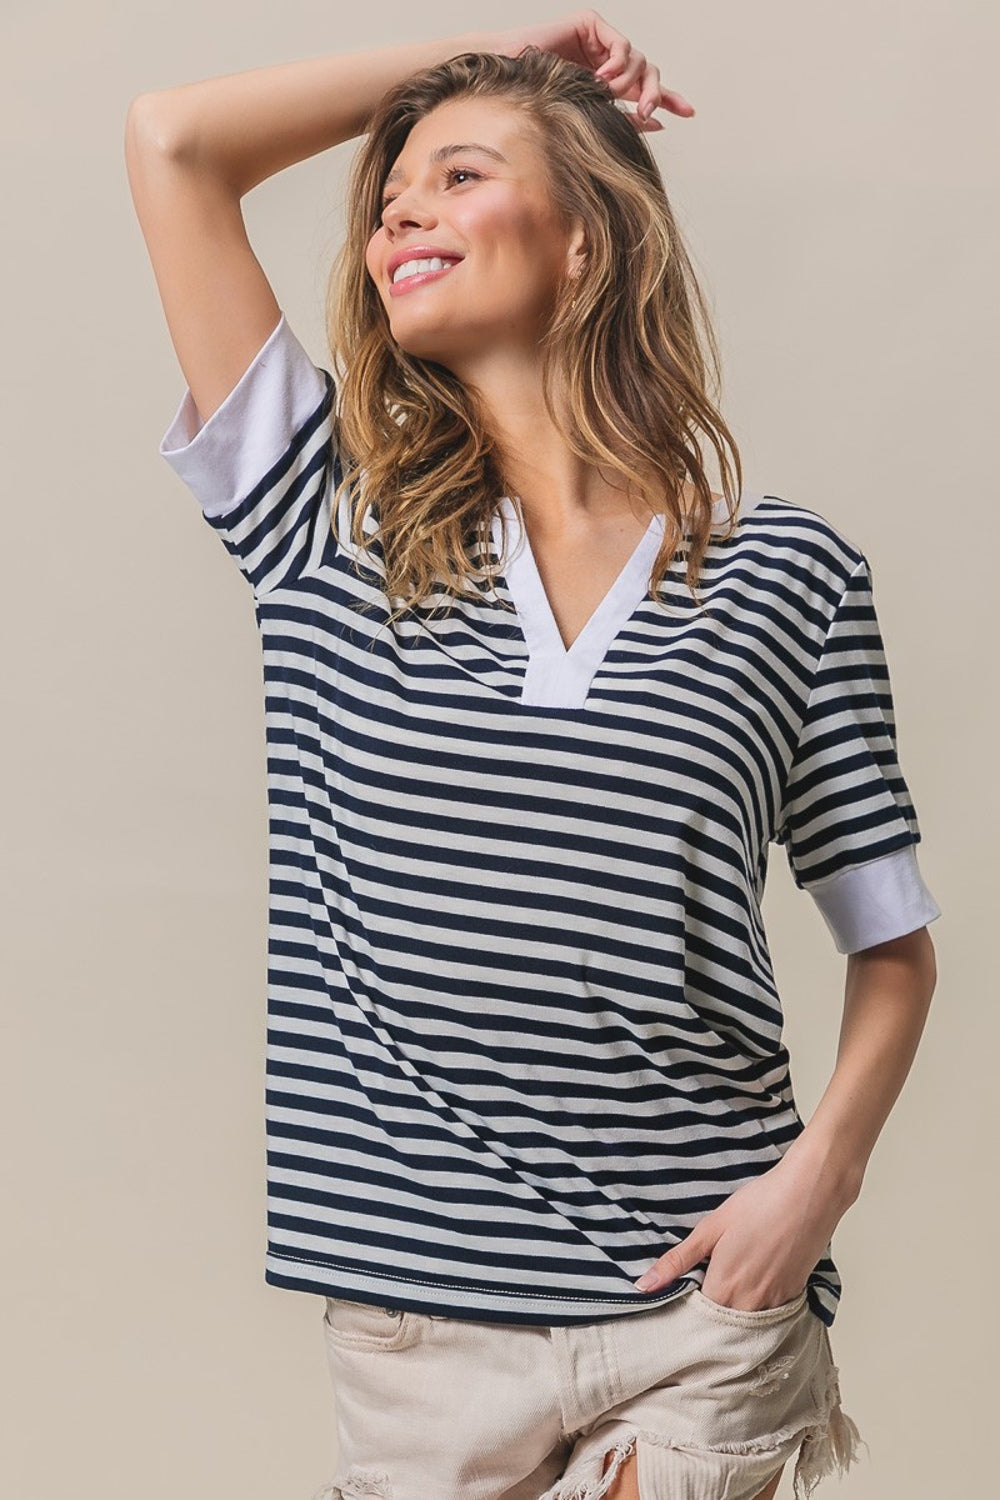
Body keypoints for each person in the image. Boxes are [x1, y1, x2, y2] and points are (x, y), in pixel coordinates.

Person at [125, 12, 941, 1500]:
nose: (401, 214)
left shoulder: (792, 576)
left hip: (702, 1306)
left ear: (584, 244)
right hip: (417, 1343)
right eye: (389, 198)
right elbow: (174, 144)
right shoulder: (324, 532)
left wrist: (818, 1182)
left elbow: (892, 945)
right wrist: (479, 62)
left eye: (460, 176)